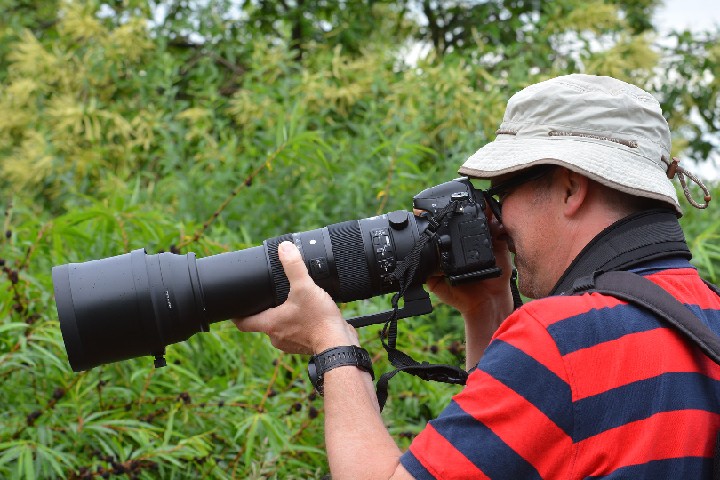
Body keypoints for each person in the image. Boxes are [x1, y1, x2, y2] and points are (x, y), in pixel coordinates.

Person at [234, 74, 720, 479]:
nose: (497, 222)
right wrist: (486, 307)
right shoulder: (706, 316)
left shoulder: (562, 339)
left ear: (571, 188)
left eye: (502, 192)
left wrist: (332, 345)